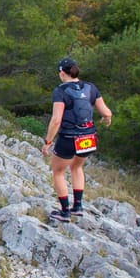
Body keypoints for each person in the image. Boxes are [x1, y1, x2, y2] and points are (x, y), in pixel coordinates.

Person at [42, 57, 112, 223]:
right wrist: (106, 119)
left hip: (68, 137)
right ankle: (78, 206)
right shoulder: (90, 88)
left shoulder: (60, 91)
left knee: (58, 172)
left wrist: (48, 142)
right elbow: (106, 112)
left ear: (61, 73)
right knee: (77, 167)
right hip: (88, 137)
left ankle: (65, 211)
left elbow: (56, 120)